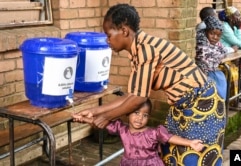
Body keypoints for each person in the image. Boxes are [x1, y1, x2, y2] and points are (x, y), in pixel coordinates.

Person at [72, 3, 226, 166]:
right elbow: (131, 96)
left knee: (195, 158)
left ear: (124, 31)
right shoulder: (137, 52)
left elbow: (139, 98)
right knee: (172, 156)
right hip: (183, 107)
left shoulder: (146, 49)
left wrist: (106, 117)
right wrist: (94, 111)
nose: (107, 40)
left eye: (109, 35)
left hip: (202, 106)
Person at [74, 99, 205, 166]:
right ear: (127, 113)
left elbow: (170, 137)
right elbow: (101, 123)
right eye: (136, 113)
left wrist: (190, 143)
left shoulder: (154, 132)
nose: (140, 118)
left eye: (145, 115)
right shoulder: (122, 129)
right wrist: (84, 119)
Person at [195, 16, 227, 100]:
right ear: (205, 32)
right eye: (212, 33)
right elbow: (207, 57)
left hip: (214, 73)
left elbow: (224, 51)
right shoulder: (202, 44)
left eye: (218, 35)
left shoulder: (216, 44)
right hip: (204, 75)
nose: (215, 37)